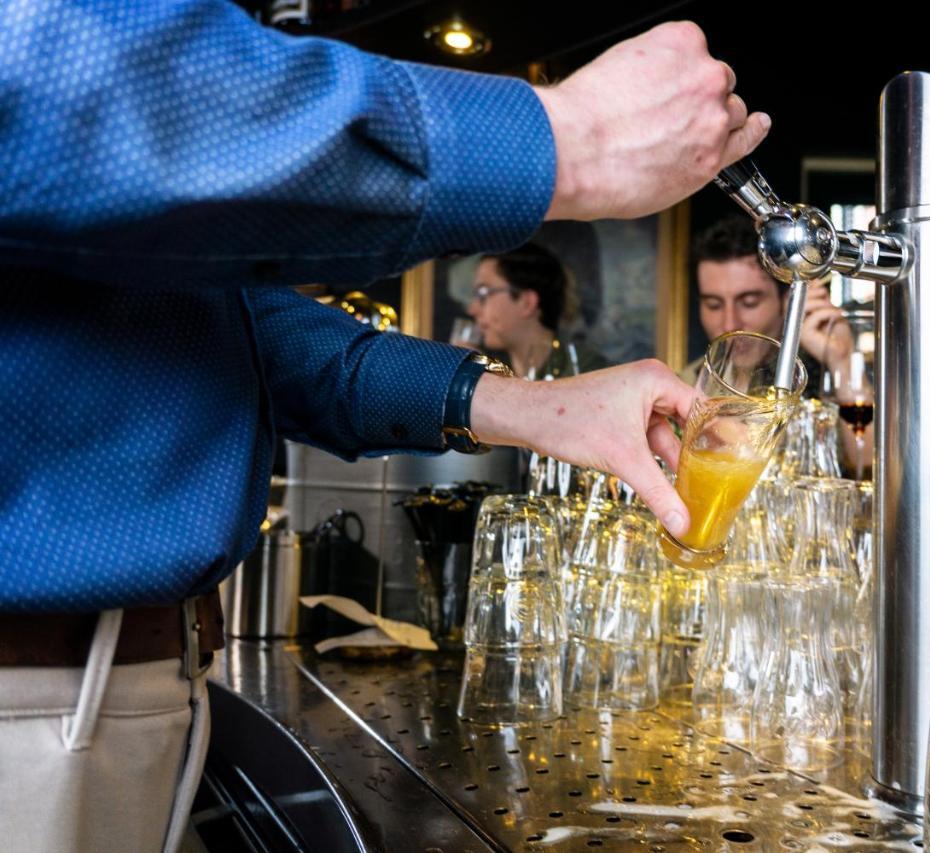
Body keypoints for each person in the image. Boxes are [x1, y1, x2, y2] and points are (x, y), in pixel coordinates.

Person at [0, 4, 769, 851]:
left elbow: (239, 330)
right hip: (30, 694)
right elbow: (39, 76)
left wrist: (530, 406)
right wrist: (559, 138)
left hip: (130, 684)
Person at [681, 215, 849, 394]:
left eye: (749, 303)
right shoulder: (685, 386)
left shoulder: (827, 380)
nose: (730, 325)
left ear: (787, 299)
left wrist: (843, 363)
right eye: (714, 305)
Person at [467, 242, 610, 378]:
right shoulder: (503, 372)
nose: (472, 309)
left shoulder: (586, 372)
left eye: (483, 293)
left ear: (527, 303)